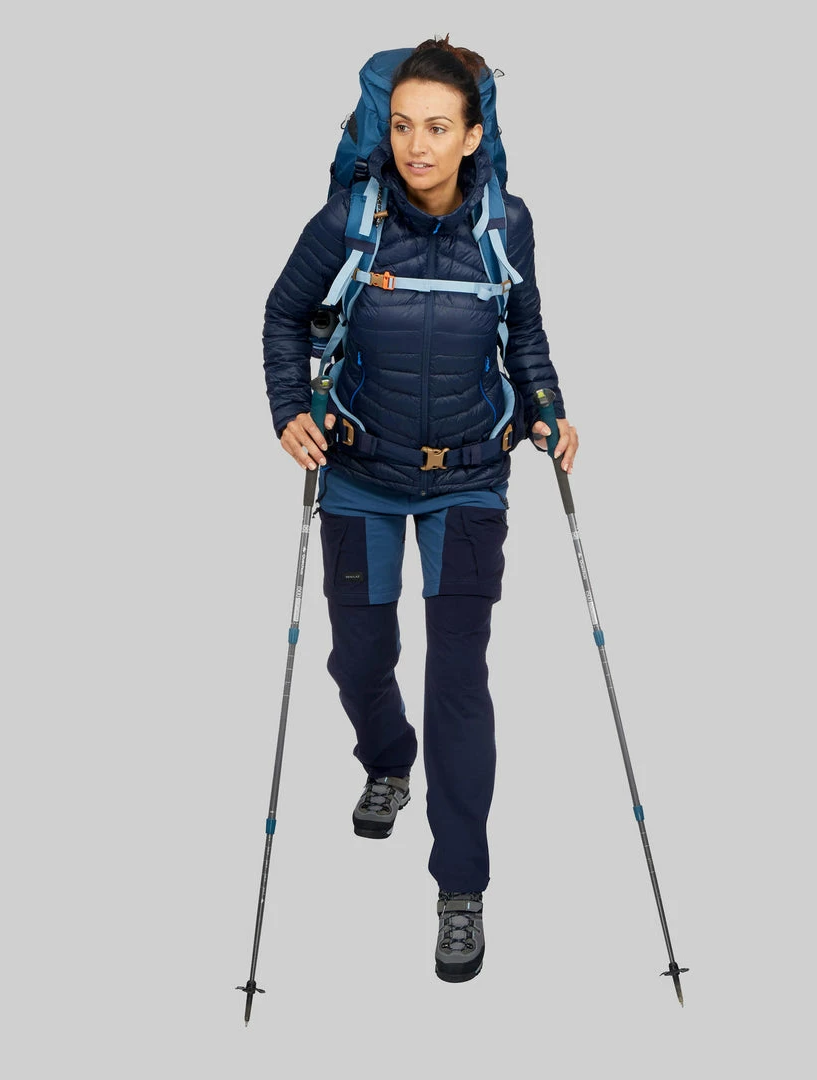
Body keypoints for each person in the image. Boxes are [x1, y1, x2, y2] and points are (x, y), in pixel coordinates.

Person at [262, 36, 577, 983]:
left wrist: (548, 406)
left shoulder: (506, 222)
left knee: (458, 679)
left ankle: (461, 887)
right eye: (402, 126)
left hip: (471, 477)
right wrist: (289, 409)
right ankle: (388, 758)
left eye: (438, 128)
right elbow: (283, 313)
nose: (417, 146)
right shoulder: (349, 219)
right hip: (360, 469)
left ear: (473, 135)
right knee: (358, 659)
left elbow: (526, 331)